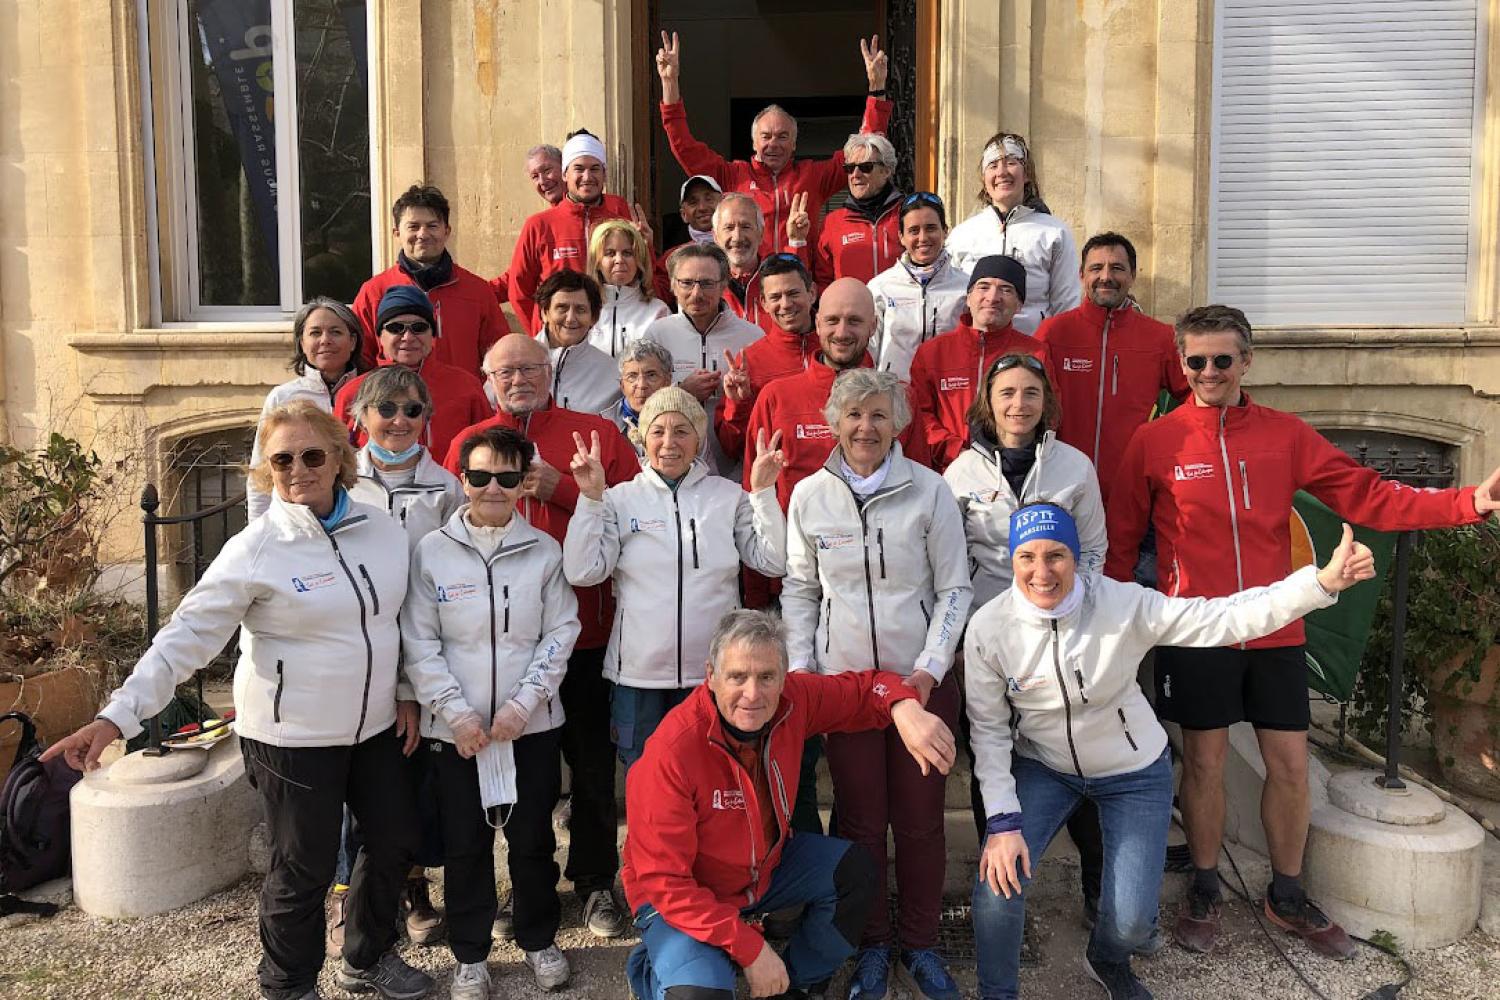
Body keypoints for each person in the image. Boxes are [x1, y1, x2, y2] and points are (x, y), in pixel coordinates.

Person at [1105, 304, 1500, 959]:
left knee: (1290, 767)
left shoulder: (1286, 435)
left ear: (1247, 362)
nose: (1208, 372)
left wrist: (1469, 504)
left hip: (1277, 629)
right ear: (1182, 365)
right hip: (1194, 629)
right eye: (1196, 361)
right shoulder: (1155, 441)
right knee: (1202, 762)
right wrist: (1116, 631)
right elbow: (1121, 544)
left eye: (1222, 359)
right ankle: (1205, 885)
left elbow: (1371, 496)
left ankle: (1285, 893)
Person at [45, 402, 432, 1000]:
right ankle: (288, 985)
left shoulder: (382, 528)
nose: (298, 469)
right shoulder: (255, 548)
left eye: (311, 455)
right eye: (282, 460)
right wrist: (114, 716)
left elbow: (401, 619)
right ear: (267, 470)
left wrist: (405, 691)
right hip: (291, 737)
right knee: (301, 869)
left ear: (338, 457)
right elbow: (183, 639)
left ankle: (366, 957)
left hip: (376, 727)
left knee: (392, 842)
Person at [967, 503, 1378, 1000]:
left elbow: (1223, 617)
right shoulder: (989, 628)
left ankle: (1107, 957)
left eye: (1056, 555)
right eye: (1027, 557)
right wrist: (1003, 823)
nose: (1041, 571)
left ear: (1077, 558)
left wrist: (1319, 584)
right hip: (1045, 766)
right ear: (1011, 560)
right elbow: (988, 732)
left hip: (1132, 771)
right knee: (997, 886)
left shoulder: (1124, 605)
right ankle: (997, 993)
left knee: (1133, 922)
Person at [620, 610, 959, 1000]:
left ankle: (792, 983)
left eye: (766, 677)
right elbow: (665, 883)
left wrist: (905, 708)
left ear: (784, 676)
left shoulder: (794, 700)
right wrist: (751, 950)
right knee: (700, 994)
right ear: (710, 676)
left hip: (761, 871)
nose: (753, 693)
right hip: (682, 896)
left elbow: (866, 688)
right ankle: (652, 970)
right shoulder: (671, 751)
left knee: (856, 871)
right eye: (737, 677)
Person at [442, 333, 640, 942]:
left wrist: (558, 486)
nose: (519, 378)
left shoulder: (595, 433)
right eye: (506, 370)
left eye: (530, 366)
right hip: (494, 641)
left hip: (580, 632)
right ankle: (521, 888)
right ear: (488, 378)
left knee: (589, 763)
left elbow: (630, 516)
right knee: (509, 772)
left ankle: (594, 881)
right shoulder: (466, 443)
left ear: (549, 370)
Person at [781, 368, 972, 1000]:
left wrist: (929, 666)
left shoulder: (930, 491)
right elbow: (801, 591)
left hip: (922, 682)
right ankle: (870, 944)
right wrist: (805, 675)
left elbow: (954, 589)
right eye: (855, 415)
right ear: (835, 423)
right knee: (860, 822)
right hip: (846, 689)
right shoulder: (809, 496)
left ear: (900, 424)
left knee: (919, 820)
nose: (867, 427)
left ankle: (917, 944)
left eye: (879, 415)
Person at [402, 426, 582, 997]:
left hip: (528, 728)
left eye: (506, 478)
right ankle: (471, 954)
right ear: (463, 481)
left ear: (523, 483)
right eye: (480, 477)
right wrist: (456, 714)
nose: (493, 488)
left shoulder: (544, 551)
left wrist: (523, 706)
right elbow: (420, 641)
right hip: (456, 732)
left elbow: (560, 632)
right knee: (465, 844)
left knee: (531, 840)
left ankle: (537, 938)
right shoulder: (431, 552)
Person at [941, 352, 1108, 932]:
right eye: (1007, 392)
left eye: (1031, 393)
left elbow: (1092, 550)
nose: (1019, 404)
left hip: (1063, 634)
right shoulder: (960, 473)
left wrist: (1069, 610)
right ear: (988, 402)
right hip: (989, 640)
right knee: (993, 758)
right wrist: (963, 638)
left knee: (1076, 756)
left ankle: (1098, 891)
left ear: (1047, 401)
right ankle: (1000, 888)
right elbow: (951, 563)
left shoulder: (1074, 467)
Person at [564, 388, 787, 769]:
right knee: (646, 779)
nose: (669, 443)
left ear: (699, 439)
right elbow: (583, 571)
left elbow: (772, 560)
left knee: (712, 774)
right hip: (638, 676)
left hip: (714, 675)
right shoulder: (620, 499)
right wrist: (589, 498)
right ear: (643, 438)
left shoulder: (728, 496)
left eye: (682, 431)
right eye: (658, 431)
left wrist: (763, 492)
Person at [656, 30, 893, 257]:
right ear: (753, 142)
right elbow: (685, 147)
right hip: (749, 283)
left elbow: (866, 149)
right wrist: (670, 84)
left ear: (794, 144)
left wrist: (877, 87)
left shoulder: (812, 175)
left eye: (782, 137)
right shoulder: (732, 175)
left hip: (797, 284)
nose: (774, 144)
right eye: (766, 136)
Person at [739, 278, 931, 513]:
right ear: (818, 324)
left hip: (881, 541)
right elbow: (753, 490)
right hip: (798, 544)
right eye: (832, 321)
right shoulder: (777, 397)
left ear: (873, 326)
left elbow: (919, 483)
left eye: (854, 321)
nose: (841, 332)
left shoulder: (901, 396)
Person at [1035, 232, 1188, 503]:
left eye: (1117, 268)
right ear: (1081, 275)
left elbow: (1193, 396)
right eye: (1096, 268)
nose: (1106, 276)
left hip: (1134, 487)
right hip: (1062, 485)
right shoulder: (1054, 332)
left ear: (1132, 275)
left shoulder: (1160, 337)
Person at [908, 255, 1059, 470]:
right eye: (983, 287)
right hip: (947, 472)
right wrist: (957, 451)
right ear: (968, 298)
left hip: (1013, 471)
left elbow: (1048, 412)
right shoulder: (932, 353)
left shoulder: (1035, 353)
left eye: (1006, 289)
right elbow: (920, 416)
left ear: (1019, 305)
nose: (993, 297)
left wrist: (1012, 455)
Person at [354, 184, 510, 375]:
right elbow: (361, 360)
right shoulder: (374, 292)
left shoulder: (477, 291)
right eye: (413, 226)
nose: (422, 234)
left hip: (460, 401)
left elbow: (501, 357)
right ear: (396, 233)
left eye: (432, 226)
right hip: (396, 402)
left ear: (447, 231)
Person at [642, 242, 764, 477]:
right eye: (687, 283)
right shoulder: (657, 334)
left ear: (724, 285)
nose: (696, 293)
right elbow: (641, 404)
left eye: (707, 283)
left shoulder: (753, 337)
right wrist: (682, 392)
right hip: (673, 472)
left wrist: (742, 397)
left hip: (736, 473)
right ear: (673, 286)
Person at [335, 285, 493, 464]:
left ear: (432, 334)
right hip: (374, 489)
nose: (408, 337)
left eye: (419, 327)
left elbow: (489, 449)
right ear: (380, 336)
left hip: (449, 489)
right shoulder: (353, 392)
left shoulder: (465, 387)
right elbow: (338, 457)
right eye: (396, 328)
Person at [946, 132, 1080, 334]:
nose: (1001, 172)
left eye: (1011, 163)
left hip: (1031, 352)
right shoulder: (961, 235)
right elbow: (952, 303)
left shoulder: (1054, 233)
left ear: (1026, 174)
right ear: (984, 179)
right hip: (976, 352)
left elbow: (1066, 304)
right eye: (993, 166)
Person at [506, 130, 635, 332]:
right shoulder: (539, 225)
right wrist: (541, 333)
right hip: (559, 339)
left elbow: (639, 277)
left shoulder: (619, 218)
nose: (587, 177)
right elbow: (519, 291)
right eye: (579, 169)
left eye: (594, 169)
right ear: (565, 174)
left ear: (604, 173)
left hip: (611, 333)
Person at [248, 297, 365, 520]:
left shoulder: (371, 393)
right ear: (301, 343)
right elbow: (260, 473)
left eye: (335, 332)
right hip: (294, 519)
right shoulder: (283, 397)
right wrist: (257, 527)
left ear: (352, 341)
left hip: (355, 516)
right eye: (315, 333)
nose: (325, 340)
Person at [714, 253, 821, 465]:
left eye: (793, 293)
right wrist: (738, 403)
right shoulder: (749, 361)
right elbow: (732, 447)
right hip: (777, 486)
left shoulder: (839, 348)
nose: (786, 304)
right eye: (775, 297)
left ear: (812, 293)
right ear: (763, 303)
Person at [347, 365, 465, 553]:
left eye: (412, 410)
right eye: (387, 409)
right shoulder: (340, 481)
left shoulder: (448, 489)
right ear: (362, 417)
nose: (400, 421)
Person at [867, 192, 968, 380]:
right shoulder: (880, 287)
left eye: (931, 228)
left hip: (948, 392)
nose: (923, 238)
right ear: (901, 237)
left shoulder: (966, 286)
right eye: (914, 230)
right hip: (895, 392)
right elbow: (869, 351)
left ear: (945, 231)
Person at [713, 192, 811, 334]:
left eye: (746, 227)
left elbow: (794, 280)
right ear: (715, 236)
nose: (737, 237)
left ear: (761, 233)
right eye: (729, 228)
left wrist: (797, 241)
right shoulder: (707, 284)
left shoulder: (776, 278)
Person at [815, 133, 903, 287]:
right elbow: (823, 282)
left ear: (886, 171)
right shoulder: (833, 223)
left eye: (865, 167)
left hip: (900, 310)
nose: (855, 175)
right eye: (849, 168)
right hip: (851, 310)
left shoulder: (908, 214)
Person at [531, 270, 623, 415]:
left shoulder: (612, 374)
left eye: (580, 310)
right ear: (544, 312)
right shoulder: (514, 362)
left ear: (594, 318)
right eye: (562, 308)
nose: (570, 318)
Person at [588, 219, 670, 360]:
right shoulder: (583, 310)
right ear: (597, 261)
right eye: (610, 253)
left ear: (640, 260)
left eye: (627, 253)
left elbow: (668, 368)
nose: (619, 260)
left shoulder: (658, 311)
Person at [652, 174, 724, 304]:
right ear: (684, 215)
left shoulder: (740, 247)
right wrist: (644, 251)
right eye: (693, 202)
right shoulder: (671, 258)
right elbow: (655, 295)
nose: (702, 207)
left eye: (709, 199)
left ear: (723, 204)